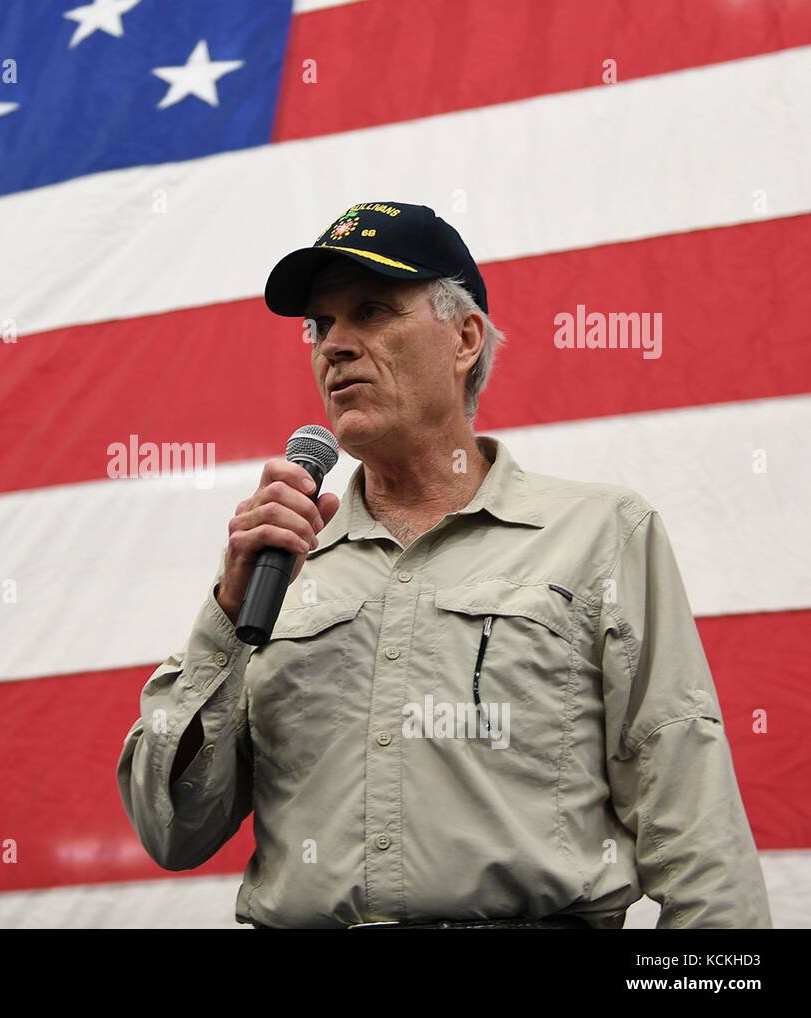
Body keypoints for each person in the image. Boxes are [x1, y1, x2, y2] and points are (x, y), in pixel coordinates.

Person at [115, 202, 773, 929]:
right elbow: (169, 829)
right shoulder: (281, 568)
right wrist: (228, 616)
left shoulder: (599, 534)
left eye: (369, 311)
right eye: (320, 325)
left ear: (465, 338)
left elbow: (693, 815)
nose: (334, 344)